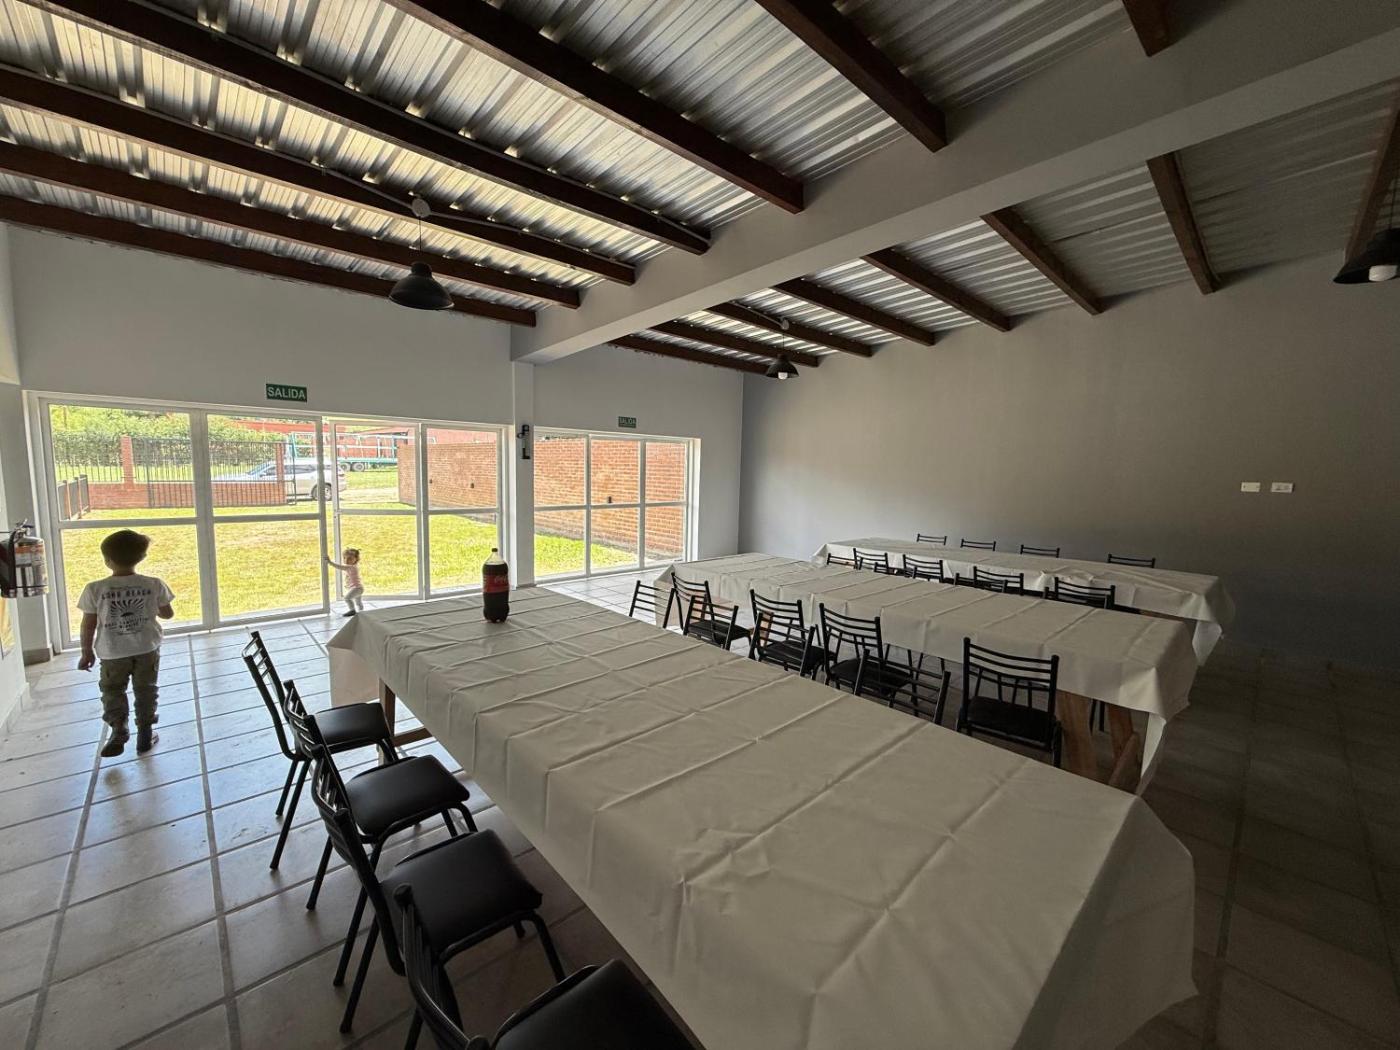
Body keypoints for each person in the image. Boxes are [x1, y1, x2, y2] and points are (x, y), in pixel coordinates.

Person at [77, 529, 174, 758]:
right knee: (146, 689)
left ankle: (118, 727)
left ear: (107, 560)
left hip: (112, 652)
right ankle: (145, 733)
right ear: (142, 557)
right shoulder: (153, 584)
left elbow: (88, 624)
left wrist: (86, 651)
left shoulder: (95, 589)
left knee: (112, 690)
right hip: (146, 648)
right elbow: (168, 614)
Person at [326, 547, 364, 616]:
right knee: (358, 602)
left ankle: (352, 610)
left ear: (356, 559)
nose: (346, 560)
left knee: (347, 598)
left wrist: (330, 562)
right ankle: (362, 612)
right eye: (344, 558)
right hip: (359, 588)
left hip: (356, 588)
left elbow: (339, 567)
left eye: (350, 558)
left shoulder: (350, 567)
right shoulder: (353, 566)